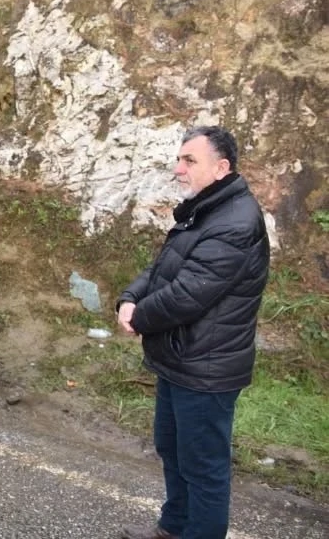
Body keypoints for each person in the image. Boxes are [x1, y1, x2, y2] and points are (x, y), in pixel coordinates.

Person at [116, 126, 269, 539]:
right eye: (179, 159)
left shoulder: (236, 222)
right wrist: (130, 296)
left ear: (221, 168)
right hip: (182, 358)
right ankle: (173, 528)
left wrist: (139, 318)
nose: (178, 169)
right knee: (172, 448)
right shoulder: (206, 209)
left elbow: (189, 293)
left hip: (207, 369)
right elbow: (166, 267)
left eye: (189, 161)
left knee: (203, 466)